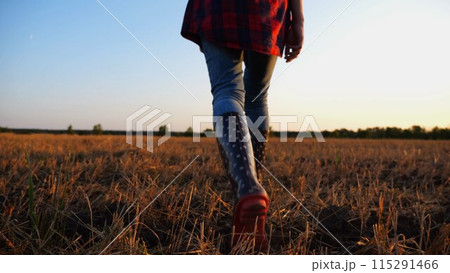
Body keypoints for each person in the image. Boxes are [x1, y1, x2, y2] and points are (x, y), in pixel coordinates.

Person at [181, 0, 304, 251]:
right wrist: (298, 20)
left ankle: (247, 186)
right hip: (268, 7)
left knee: (227, 91)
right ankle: (253, 186)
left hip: (218, 7)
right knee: (257, 98)